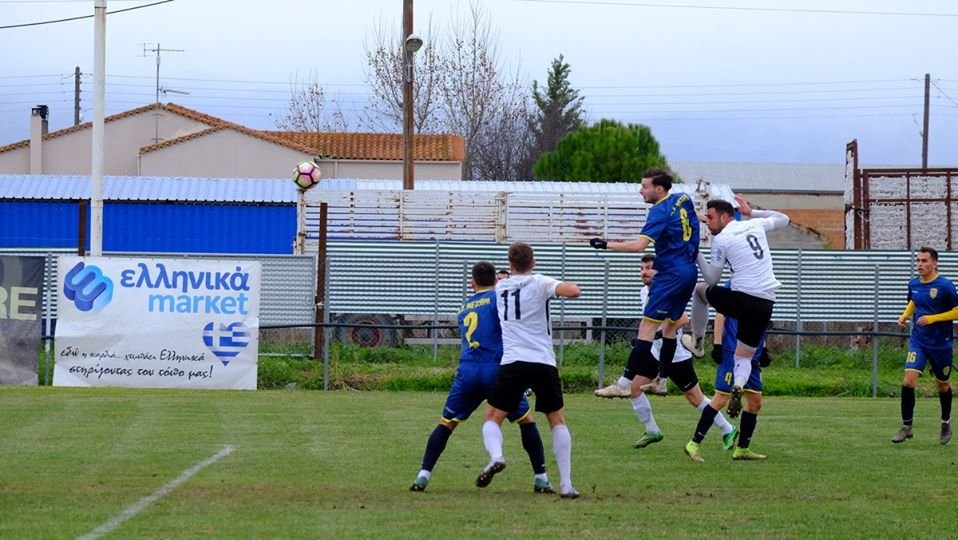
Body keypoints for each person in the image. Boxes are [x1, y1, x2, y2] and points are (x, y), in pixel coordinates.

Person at [410, 261, 554, 493]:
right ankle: (541, 478)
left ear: (472, 283)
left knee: (447, 423)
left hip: (467, 371)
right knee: (526, 421)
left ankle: (422, 476)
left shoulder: (464, 307)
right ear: (496, 280)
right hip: (497, 371)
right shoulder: (499, 299)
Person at [597, 254, 739, 451]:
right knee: (635, 389)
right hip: (654, 353)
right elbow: (647, 321)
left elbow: (682, 319)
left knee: (694, 398)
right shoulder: (643, 292)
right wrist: (641, 339)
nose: (644, 272)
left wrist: (657, 334)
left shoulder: (666, 292)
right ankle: (652, 431)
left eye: (649, 268)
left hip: (675, 355)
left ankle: (728, 429)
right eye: (642, 269)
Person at [477, 242, 583, 499]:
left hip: (513, 361)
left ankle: (497, 456)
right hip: (543, 361)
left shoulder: (501, 286)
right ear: (533, 263)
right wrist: (557, 286)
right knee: (556, 420)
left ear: (510, 265)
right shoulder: (540, 282)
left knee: (493, 417)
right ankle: (566, 484)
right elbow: (573, 291)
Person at [590, 168, 700, 397]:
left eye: (645, 186)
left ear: (659, 189)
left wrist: (606, 244)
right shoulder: (683, 198)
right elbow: (696, 217)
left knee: (646, 327)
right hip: (690, 271)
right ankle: (661, 379)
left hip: (670, 274)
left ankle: (622, 384)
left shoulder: (659, 212)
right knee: (670, 327)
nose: (641, 190)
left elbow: (638, 247)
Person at [684, 195, 788, 418]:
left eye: (710, 218)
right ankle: (739, 385)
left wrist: (697, 253)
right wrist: (753, 212)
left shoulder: (722, 239)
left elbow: (712, 279)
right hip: (766, 303)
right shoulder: (754, 224)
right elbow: (784, 218)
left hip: (742, 298)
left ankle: (697, 341)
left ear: (724, 216)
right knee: (744, 357)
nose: (708, 223)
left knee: (700, 291)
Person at [892, 246, 958, 445]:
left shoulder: (945, 286)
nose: (919, 264)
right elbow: (914, 302)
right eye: (918, 261)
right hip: (919, 341)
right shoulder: (913, 284)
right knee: (908, 382)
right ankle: (906, 427)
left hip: (941, 344)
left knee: (943, 385)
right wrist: (904, 315)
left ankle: (946, 422)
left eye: (924, 261)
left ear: (934, 263)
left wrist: (933, 319)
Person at [684, 315, 770, 462]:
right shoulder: (732, 291)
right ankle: (693, 444)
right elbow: (720, 315)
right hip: (732, 351)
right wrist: (718, 345)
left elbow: (761, 321)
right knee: (721, 398)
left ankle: (742, 449)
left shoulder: (764, 293)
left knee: (755, 402)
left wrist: (764, 348)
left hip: (753, 354)